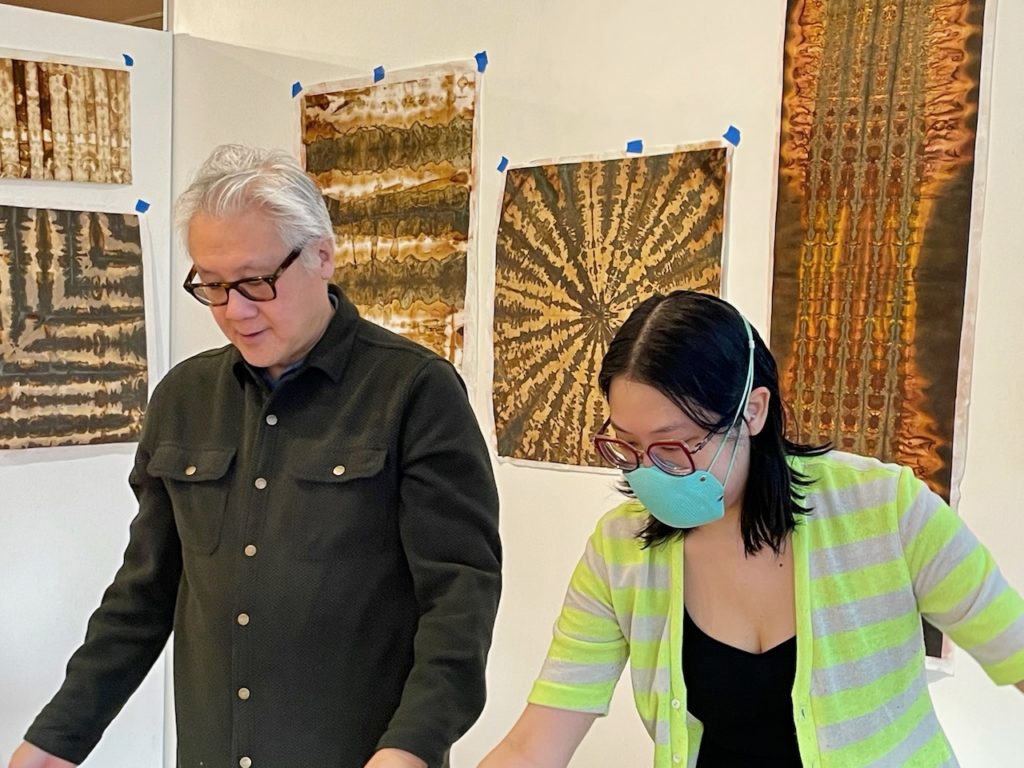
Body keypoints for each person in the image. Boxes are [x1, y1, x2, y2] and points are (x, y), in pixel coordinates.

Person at [8, 144, 502, 768]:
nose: (234, 312)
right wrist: (56, 740)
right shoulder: (183, 398)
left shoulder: (414, 391)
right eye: (212, 286)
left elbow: (460, 601)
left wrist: (413, 747)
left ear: (322, 255)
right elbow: (144, 594)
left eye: (254, 282)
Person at [480, 290, 1024, 767]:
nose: (650, 470)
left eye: (675, 445)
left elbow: (1016, 646)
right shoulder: (619, 551)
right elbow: (536, 744)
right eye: (628, 446)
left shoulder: (884, 509)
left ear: (754, 411)